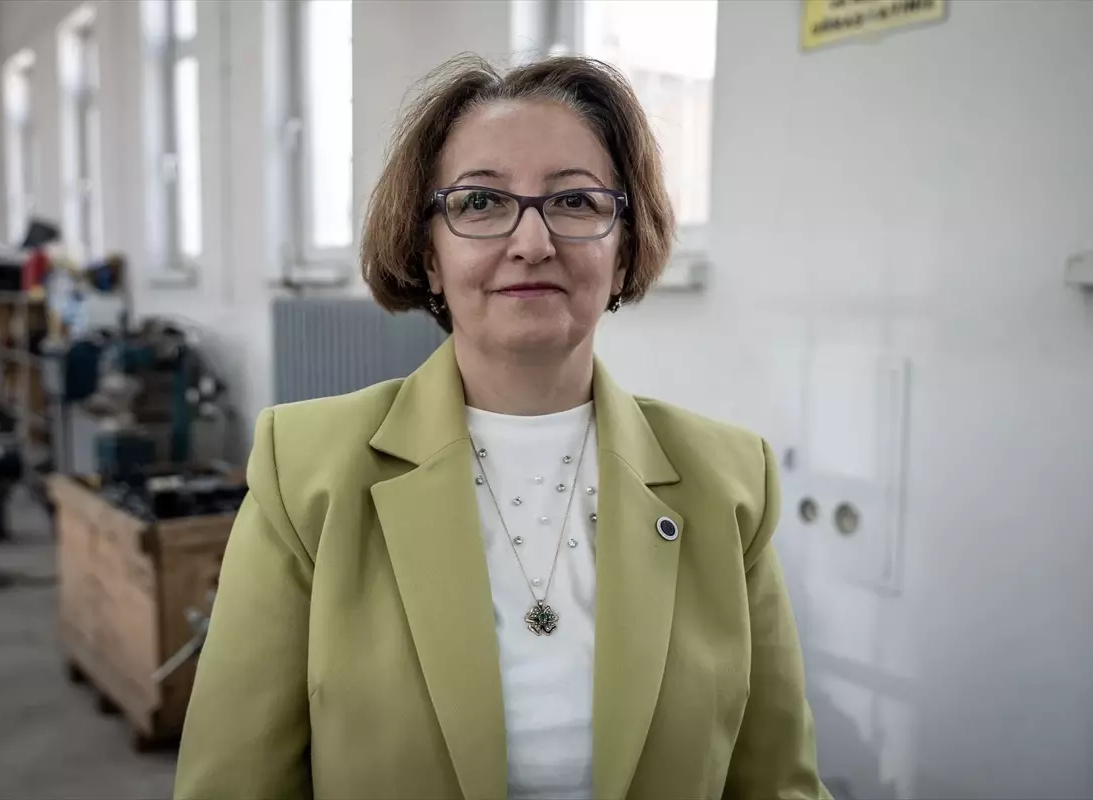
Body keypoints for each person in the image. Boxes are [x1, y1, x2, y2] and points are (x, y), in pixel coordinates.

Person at [174, 54, 830, 800]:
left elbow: (778, 785)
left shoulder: (730, 483)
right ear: (429, 255)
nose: (532, 242)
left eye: (574, 201)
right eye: (481, 202)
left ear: (623, 250)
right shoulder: (305, 473)